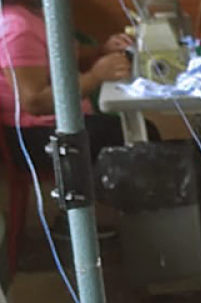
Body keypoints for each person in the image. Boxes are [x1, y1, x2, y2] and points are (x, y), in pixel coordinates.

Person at [0, 0, 157, 238]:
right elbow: (34, 102)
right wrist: (95, 76)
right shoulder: (17, 28)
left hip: (53, 123)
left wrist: (100, 52)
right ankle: (150, 235)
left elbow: (60, 62)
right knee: (141, 137)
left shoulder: (37, 15)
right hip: (33, 138)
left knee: (138, 130)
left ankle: (148, 229)